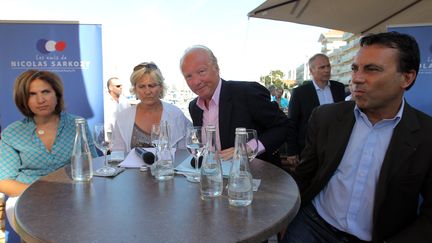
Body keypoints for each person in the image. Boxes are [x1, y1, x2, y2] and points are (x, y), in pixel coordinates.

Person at [282, 32, 432, 242]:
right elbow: (304, 175)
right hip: (311, 226)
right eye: (355, 68)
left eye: (372, 69)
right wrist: (286, 218)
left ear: (406, 78)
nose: (357, 78)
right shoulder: (326, 117)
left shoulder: (426, 134)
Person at [0, 70, 98, 229]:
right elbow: (4, 182)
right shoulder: (12, 133)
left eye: (46, 91)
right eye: (32, 94)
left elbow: (92, 164)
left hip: (72, 198)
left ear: (57, 94)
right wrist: (42, 193)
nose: (41, 100)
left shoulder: (77, 124)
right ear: (24, 99)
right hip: (27, 199)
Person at [180, 45, 295, 165]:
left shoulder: (247, 93)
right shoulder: (194, 107)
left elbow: (283, 126)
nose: (196, 82)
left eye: (201, 71)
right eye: (189, 76)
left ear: (216, 68)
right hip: (213, 176)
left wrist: (248, 148)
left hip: (253, 175)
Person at [111, 62, 191, 152]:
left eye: (152, 86)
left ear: (161, 87)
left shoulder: (176, 115)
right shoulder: (123, 117)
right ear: (135, 89)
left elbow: (184, 154)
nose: (147, 91)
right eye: (142, 86)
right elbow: (117, 154)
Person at [287, 53, 345, 164]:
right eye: (322, 67)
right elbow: (292, 123)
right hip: (309, 148)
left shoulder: (339, 88)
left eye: (328, 66)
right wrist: (292, 151)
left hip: (335, 146)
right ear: (311, 70)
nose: (327, 70)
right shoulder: (300, 92)